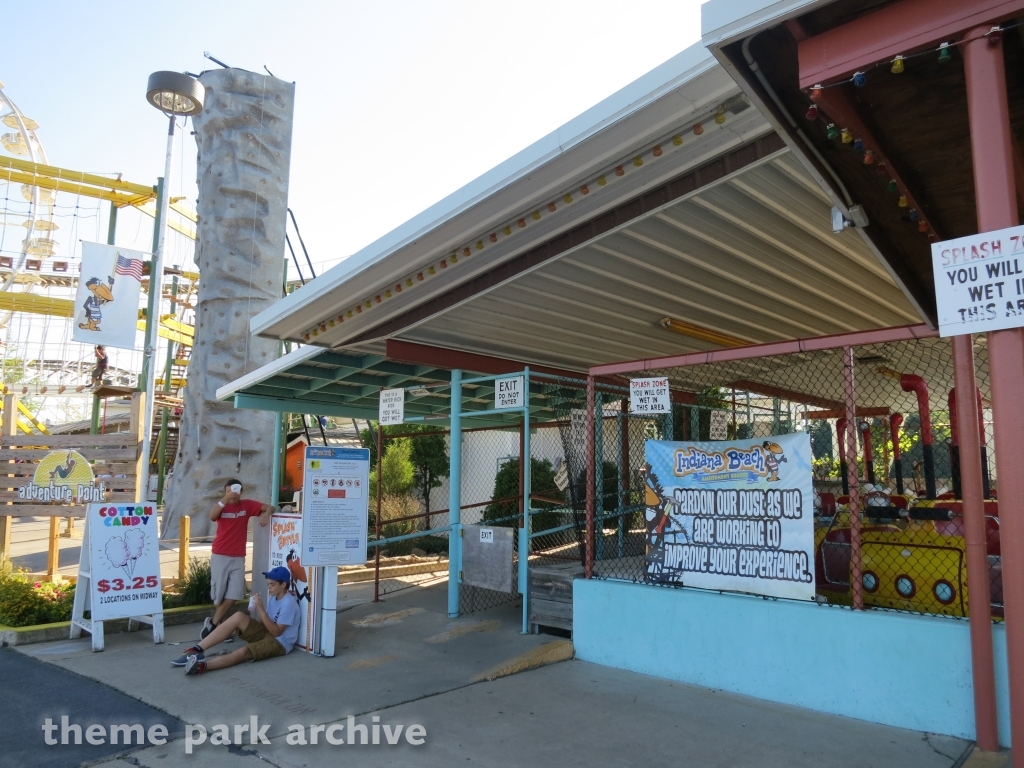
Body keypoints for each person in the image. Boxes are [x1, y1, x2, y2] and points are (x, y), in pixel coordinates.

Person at [171, 566, 300, 674]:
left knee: (244, 651)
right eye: (268, 584)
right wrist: (256, 614)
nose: (269, 588)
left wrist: (260, 609)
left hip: (281, 643)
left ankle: (201, 666)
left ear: (283, 584)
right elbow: (265, 624)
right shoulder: (275, 596)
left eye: (272, 585)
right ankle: (197, 650)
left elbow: (276, 632)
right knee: (239, 616)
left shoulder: (288, 603)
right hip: (268, 633)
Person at [202, 479, 274, 640]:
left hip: (238, 556)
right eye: (228, 491)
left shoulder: (247, 505)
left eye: (235, 491)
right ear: (225, 491)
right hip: (220, 554)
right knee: (219, 595)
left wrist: (266, 514)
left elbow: (270, 507)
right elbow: (212, 516)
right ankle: (223, 628)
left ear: (241, 492)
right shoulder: (221, 505)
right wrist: (224, 500)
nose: (232, 495)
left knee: (235, 593)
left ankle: (213, 623)